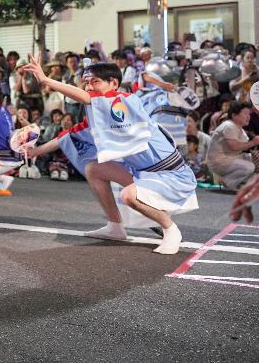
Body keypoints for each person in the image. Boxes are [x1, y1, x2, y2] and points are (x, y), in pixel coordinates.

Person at [23, 57, 198, 254]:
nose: (89, 87)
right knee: (94, 169)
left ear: (114, 83)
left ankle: (171, 230)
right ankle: (115, 227)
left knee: (128, 195)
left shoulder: (124, 100)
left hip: (169, 173)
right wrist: (34, 151)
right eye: (87, 82)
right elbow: (67, 136)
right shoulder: (98, 114)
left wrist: (46, 80)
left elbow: (86, 97)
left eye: (95, 82)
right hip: (143, 172)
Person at [206, 102, 259, 190]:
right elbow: (234, 147)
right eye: (245, 113)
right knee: (249, 167)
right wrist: (253, 142)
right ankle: (227, 182)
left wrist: (255, 153)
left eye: (249, 114)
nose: (248, 117)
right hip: (219, 161)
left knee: (256, 159)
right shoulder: (229, 126)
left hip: (231, 158)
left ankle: (242, 184)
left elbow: (242, 147)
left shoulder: (239, 128)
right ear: (234, 115)